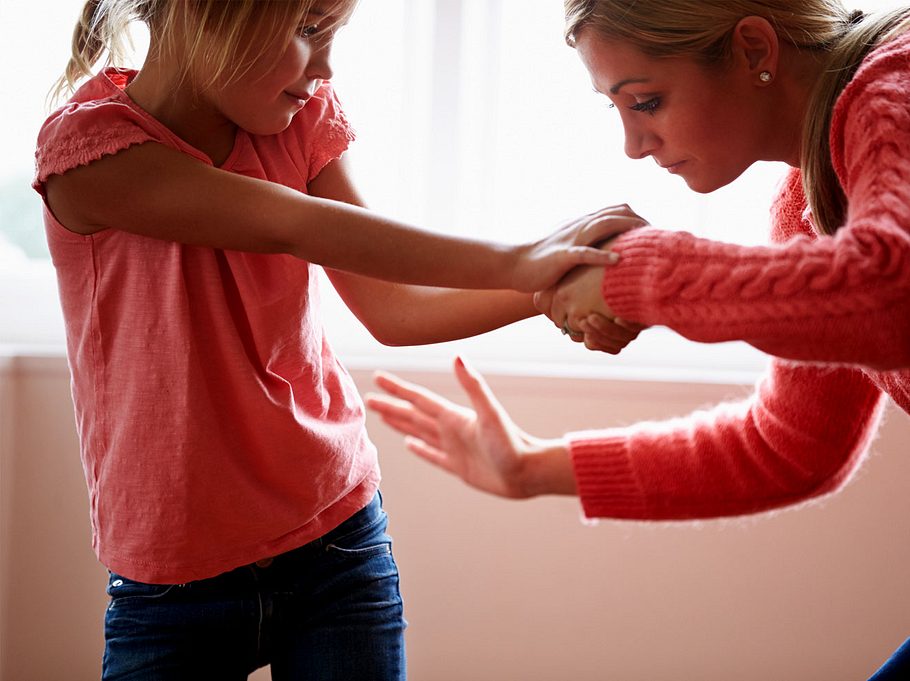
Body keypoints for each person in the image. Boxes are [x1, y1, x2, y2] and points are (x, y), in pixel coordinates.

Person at [31, 1, 643, 678]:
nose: (325, 67)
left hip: (335, 545)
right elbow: (292, 224)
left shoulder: (299, 120)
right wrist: (528, 257)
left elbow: (394, 306)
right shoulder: (92, 152)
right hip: (172, 586)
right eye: (309, 30)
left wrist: (554, 290)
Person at [365, 1, 910, 678]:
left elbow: (892, 296)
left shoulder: (896, 83)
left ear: (753, 50)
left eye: (646, 101)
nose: (633, 144)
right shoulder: (811, 196)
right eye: (618, 109)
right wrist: (531, 468)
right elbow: (791, 446)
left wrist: (637, 274)